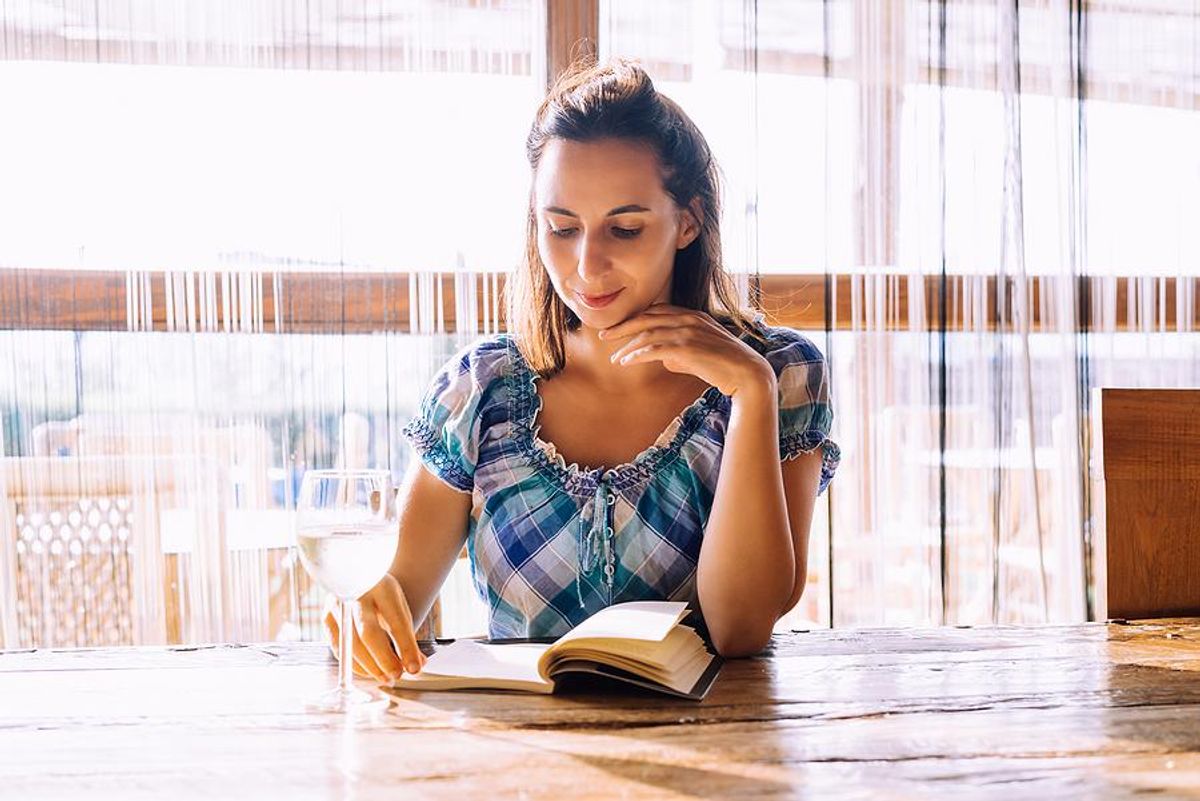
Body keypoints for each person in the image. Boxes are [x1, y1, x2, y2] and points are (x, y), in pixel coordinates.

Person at [325, 59, 840, 682]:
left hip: (712, 757)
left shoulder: (780, 373)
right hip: (522, 763)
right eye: (561, 228)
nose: (587, 266)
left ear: (689, 221)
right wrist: (363, 615)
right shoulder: (481, 390)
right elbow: (391, 608)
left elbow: (739, 629)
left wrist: (749, 392)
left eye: (623, 230)